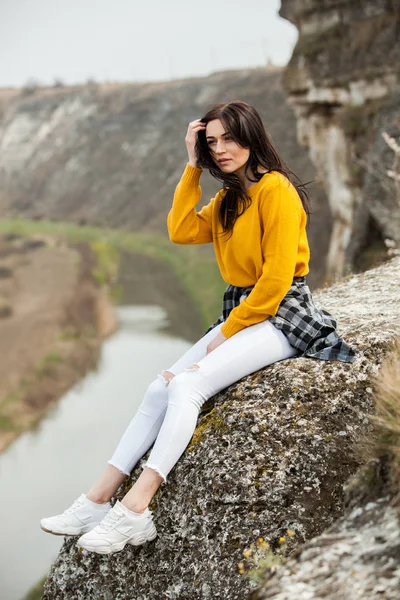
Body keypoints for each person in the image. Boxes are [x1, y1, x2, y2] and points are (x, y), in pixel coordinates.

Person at [40, 101, 356, 555]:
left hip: (282, 313)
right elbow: (180, 230)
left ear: (252, 136)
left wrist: (221, 338)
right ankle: (96, 500)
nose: (221, 149)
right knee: (156, 390)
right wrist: (192, 167)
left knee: (187, 385)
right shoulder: (229, 198)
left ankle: (135, 510)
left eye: (229, 138)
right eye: (212, 142)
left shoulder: (276, 190)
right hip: (246, 310)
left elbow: (275, 284)